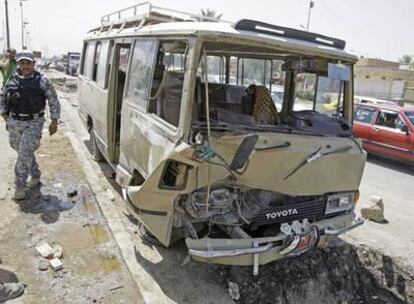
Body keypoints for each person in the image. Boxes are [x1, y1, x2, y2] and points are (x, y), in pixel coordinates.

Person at [0, 51, 61, 200]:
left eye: (28, 63)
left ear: (33, 64)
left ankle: (19, 186)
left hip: (34, 122)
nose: (25, 66)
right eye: (22, 63)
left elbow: (53, 99)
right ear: (19, 64)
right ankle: (35, 173)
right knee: (21, 150)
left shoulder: (42, 80)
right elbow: (3, 96)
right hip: (14, 121)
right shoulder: (12, 79)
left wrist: (54, 120)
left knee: (24, 153)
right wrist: (4, 115)